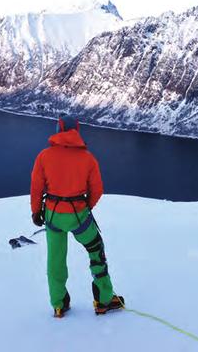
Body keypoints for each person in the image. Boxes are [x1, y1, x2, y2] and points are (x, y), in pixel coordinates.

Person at [31, 114, 125, 318]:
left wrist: (36, 211)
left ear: (58, 130)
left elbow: (37, 187)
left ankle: (59, 305)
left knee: (55, 260)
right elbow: (97, 189)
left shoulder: (44, 156)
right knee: (96, 251)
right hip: (79, 216)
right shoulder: (88, 158)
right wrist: (85, 207)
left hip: (53, 216)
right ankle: (104, 299)